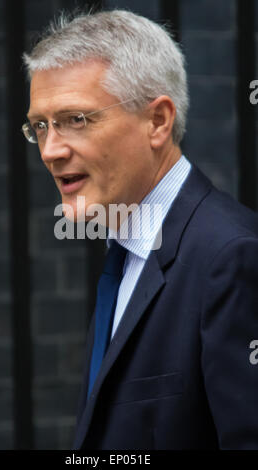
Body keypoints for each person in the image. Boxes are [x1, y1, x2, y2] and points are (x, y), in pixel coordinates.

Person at [22, 9, 258, 449]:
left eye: (77, 119)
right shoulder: (126, 249)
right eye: (40, 125)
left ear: (158, 122)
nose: (51, 150)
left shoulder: (232, 257)